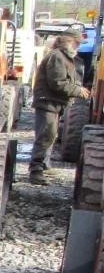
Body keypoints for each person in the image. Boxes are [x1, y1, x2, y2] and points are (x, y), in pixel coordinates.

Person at [30, 26, 92, 184]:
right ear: (68, 42)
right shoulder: (58, 57)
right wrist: (78, 90)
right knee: (46, 135)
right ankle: (36, 171)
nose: (78, 47)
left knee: (50, 135)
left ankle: (43, 166)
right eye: (77, 43)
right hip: (47, 102)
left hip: (52, 103)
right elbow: (57, 83)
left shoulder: (62, 56)